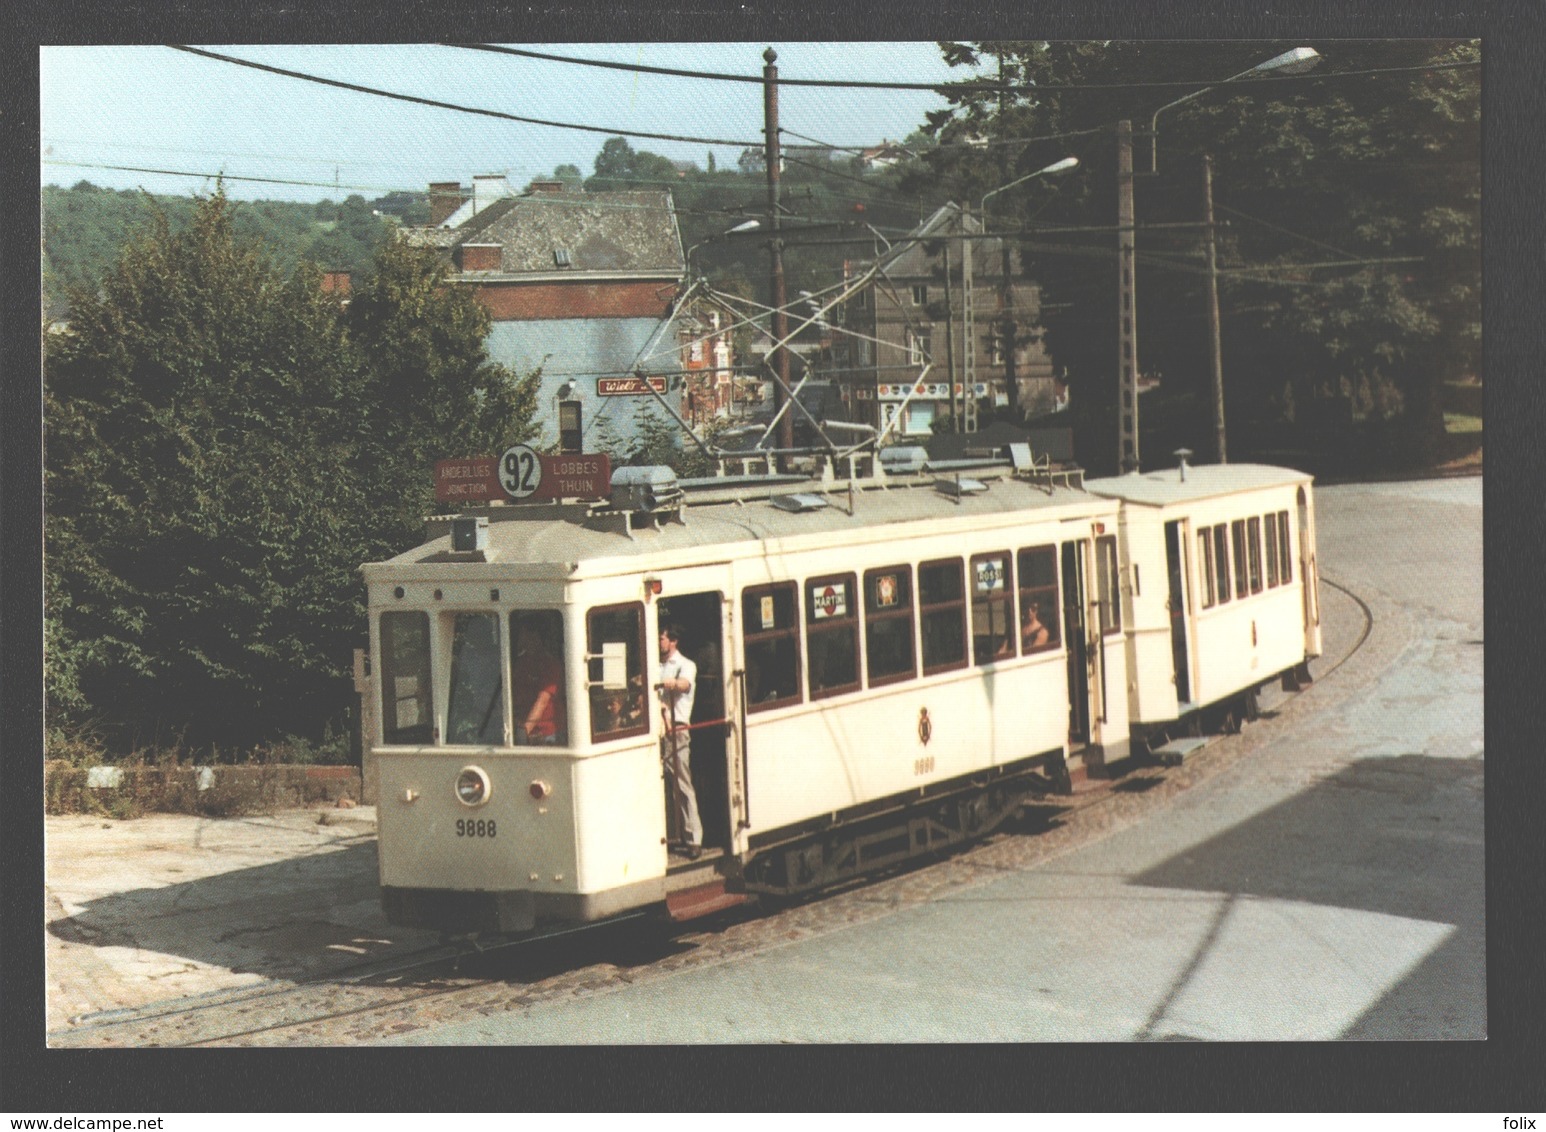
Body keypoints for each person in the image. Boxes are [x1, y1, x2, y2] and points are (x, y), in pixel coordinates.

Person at [657, 622, 701, 859]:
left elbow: (685, 684)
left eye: (662, 638)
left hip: (677, 730)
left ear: (673, 641)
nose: (658, 642)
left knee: (682, 785)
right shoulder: (656, 665)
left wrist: (673, 684)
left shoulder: (685, 665)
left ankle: (693, 838)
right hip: (658, 732)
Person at [512, 621, 564, 744]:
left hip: (547, 734)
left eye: (523, 633)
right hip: (524, 731)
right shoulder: (520, 663)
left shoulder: (550, 664)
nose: (520, 637)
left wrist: (524, 731)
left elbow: (542, 701)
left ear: (535, 635)